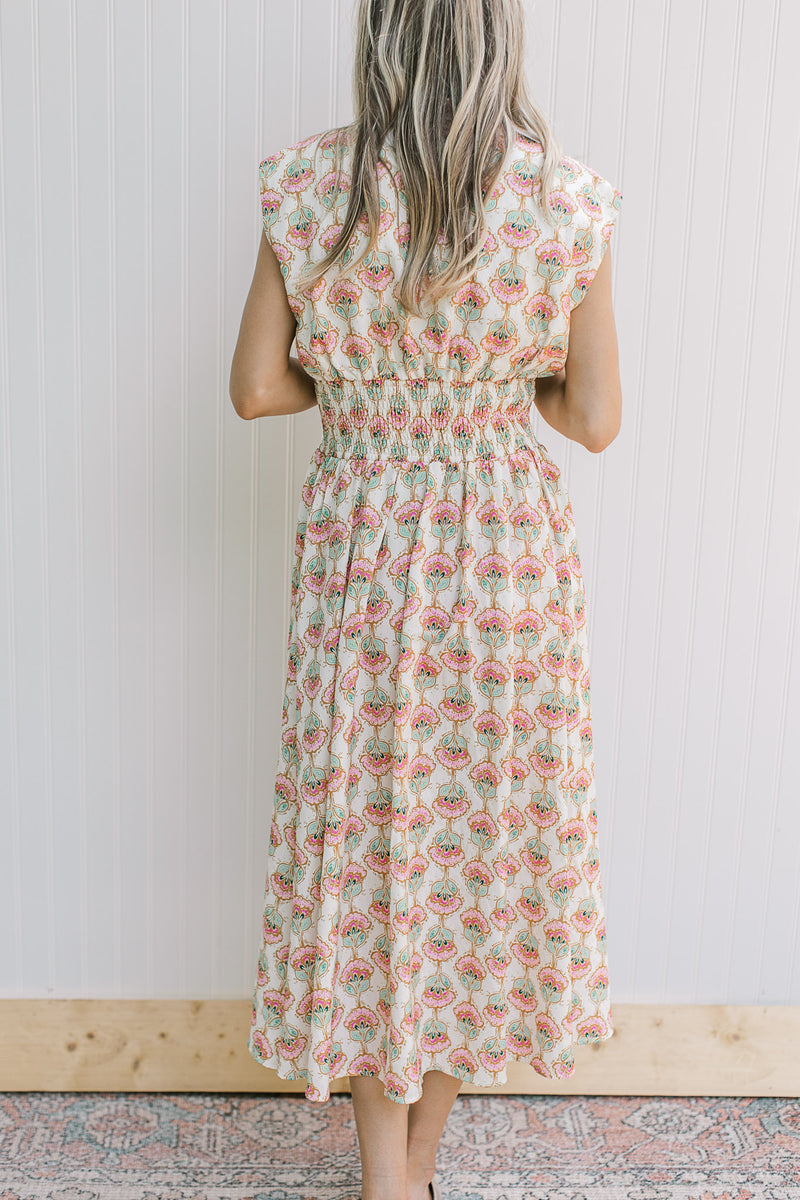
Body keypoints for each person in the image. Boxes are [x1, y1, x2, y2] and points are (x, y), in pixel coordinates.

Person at [229, 1, 623, 1197]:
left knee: (366, 845)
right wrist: (499, 391)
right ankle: (422, 1165)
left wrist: (368, 392)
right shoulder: (564, 201)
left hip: (363, 545)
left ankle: (379, 1172)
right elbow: (593, 419)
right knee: (471, 854)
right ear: (496, 45)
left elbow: (256, 388)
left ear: (379, 42)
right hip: (501, 557)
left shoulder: (310, 187)